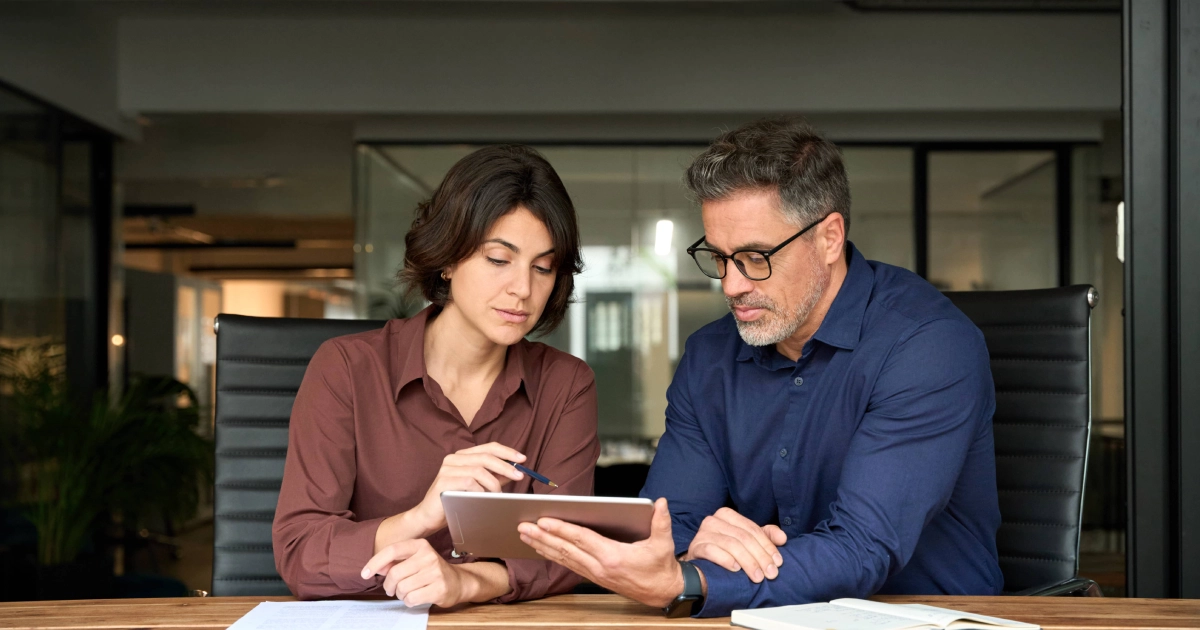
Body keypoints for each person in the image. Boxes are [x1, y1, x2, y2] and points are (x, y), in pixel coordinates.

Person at [518, 118, 1004, 617]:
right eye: (718, 257)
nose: (730, 285)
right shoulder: (709, 357)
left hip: (920, 621)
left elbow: (863, 546)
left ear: (830, 238)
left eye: (754, 257)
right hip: (762, 621)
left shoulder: (927, 345)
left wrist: (692, 578)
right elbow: (671, 523)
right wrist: (691, 553)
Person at [273, 145, 599, 607]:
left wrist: (465, 582)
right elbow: (300, 552)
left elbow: (569, 550)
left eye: (542, 267)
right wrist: (421, 517)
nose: (523, 289)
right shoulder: (346, 369)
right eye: (498, 259)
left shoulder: (566, 385)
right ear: (448, 258)